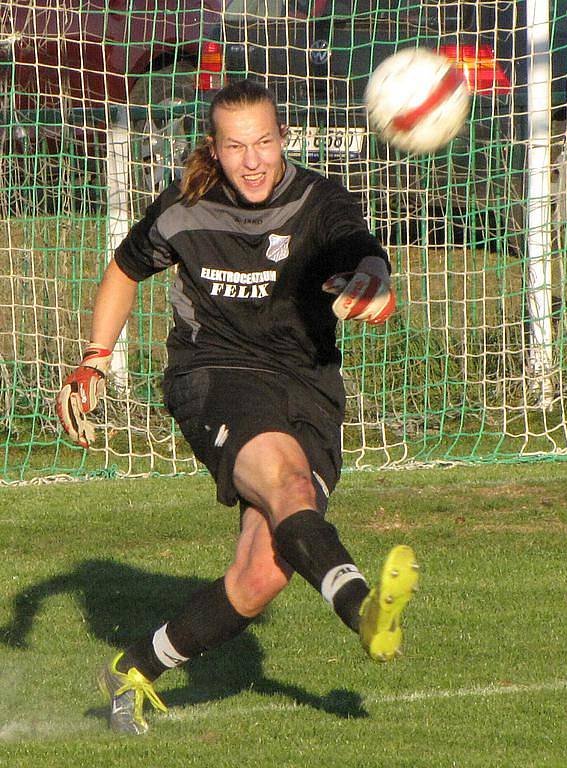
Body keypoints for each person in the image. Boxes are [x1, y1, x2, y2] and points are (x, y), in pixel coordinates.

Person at [56, 79, 419, 735]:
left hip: (306, 384)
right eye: (235, 147)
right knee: (286, 482)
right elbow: (123, 270)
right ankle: (364, 609)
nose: (252, 161)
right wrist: (93, 361)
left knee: (260, 576)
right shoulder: (184, 206)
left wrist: (371, 282)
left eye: (264, 143)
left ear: (283, 140)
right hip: (212, 374)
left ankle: (131, 670)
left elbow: (360, 253)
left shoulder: (319, 201)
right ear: (214, 151)